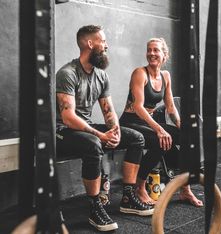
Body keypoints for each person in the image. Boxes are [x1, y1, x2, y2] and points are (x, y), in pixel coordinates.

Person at [56, 25, 154, 232]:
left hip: (86, 128)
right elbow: (68, 117)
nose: (107, 45)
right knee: (93, 143)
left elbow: (108, 111)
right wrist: (100, 134)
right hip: (63, 131)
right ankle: (95, 206)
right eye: (103, 41)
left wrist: (115, 132)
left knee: (136, 138)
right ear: (90, 44)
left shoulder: (101, 75)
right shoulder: (67, 73)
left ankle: (128, 195)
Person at [119, 37, 203, 207]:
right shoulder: (140, 73)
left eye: (155, 50)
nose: (151, 53)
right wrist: (159, 129)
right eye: (149, 50)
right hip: (131, 121)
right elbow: (138, 107)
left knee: (183, 137)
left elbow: (170, 106)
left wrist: (180, 124)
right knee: (161, 140)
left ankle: (184, 189)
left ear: (164, 54)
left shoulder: (165, 76)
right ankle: (139, 187)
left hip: (147, 122)